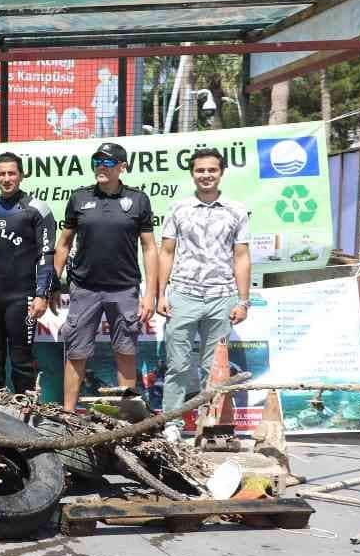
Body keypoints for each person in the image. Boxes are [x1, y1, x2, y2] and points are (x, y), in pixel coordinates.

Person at [53, 141, 158, 411]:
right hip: (84, 288)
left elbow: (149, 248)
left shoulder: (138, 200)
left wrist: (150, 294)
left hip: (124, 289)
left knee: (125, 352)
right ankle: (67, 414)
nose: (101, 166)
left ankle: (126, 417)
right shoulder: (79, 198)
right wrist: (53, 282)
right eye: (97, 161)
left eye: (108, 162)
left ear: (122, 167)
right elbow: (63, 243)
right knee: (76, 352)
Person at [157, 148, 251, 430]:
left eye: (212, 170)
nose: (206, 175)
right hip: (183, 295)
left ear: (221, 173)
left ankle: (210, 425)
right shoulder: (178, 208)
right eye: (200, 170)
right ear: (192, 174)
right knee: (177, 365)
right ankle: (172, 425)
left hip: (222, 297)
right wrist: (161, 294)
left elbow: (242, 257)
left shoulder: (236, 210)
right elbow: (166, 252)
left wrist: (243, 301)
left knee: (215, 369)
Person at [0, 153, 57, 394]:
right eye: (1, 174)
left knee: (22, 361)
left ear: (21, 175)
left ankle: (23, 410)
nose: (6, 179)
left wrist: (42, 294)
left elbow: (46, 255)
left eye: (11, 173)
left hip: (22, 298)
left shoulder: (37, 209)